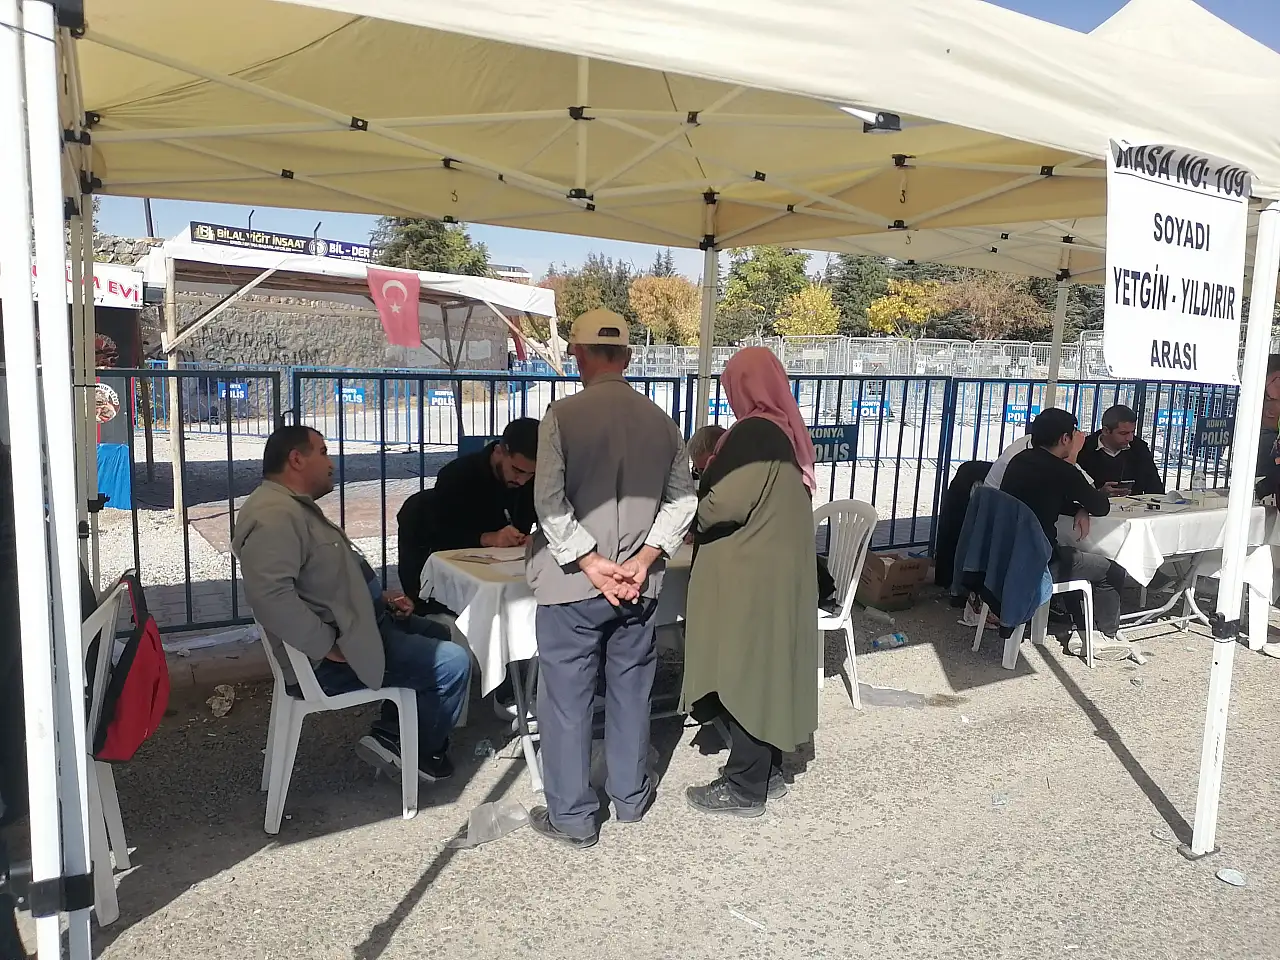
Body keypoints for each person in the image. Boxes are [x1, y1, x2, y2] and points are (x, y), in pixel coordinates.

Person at [525, 308, 696, 849]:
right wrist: (642, 561)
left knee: (567, 701)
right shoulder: (662, 422)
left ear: (578, 355)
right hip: (637, 584)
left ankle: (573, 817)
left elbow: (549, 504)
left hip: (573, 585)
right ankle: (631, 798)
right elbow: (682, 502)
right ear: (627, 357)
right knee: (631, 689)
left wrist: (591, 563)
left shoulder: (561, 416)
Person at [234, 424, 471, 782]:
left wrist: (378, 596)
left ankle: (391, 732)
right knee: (453, 663)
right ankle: (414, 751)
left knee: (441, 633)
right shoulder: (274, 516)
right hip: (328, 661)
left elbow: (322, 578)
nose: (331, 462)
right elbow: (270, 595)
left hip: (362, 627)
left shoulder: (290, 506)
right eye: (324, 452)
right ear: (296, 459)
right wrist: (325, 645)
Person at [681, 347, 819, 818]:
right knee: (767, 670)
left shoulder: (755, 433)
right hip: (776, 572)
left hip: (750, 576)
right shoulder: (783, 430)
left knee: (740, 671)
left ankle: (744, 786)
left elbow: (722, 506)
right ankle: (770, 771)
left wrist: (692, 502)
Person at [1000, 408, 1129, 659]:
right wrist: (1082, 497)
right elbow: (1100, 506)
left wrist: (1078, 507)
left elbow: (1047, 497)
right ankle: (1105, 635)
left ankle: (1082, 623)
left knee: (1074, 557)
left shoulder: (1020, 460)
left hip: (1007, 555)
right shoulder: (1063, 470)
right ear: (1065, 439)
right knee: (1110, 568)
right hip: (1041, 563)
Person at [397, 417, 539, 610]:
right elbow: (441, 536)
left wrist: (536, 538)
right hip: (456, 584)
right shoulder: (458, 475)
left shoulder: (534, 481)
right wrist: (488, 538)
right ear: (499, 451)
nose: (522, 481)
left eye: (529, 474)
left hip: (506, 575)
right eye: (516, 470)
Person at [1076, 404, 1165, 496]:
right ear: (1106, 431)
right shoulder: (1083, 449)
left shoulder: (1139, 448)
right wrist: (1098, 494)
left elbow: (1155, 486)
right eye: (1123, 433)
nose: (1130, 438)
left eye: (1132, 432)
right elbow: (1074, 490)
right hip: (1094, 508)